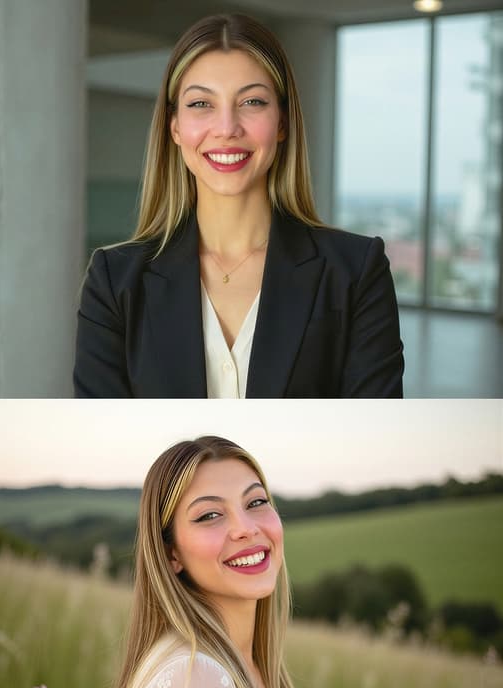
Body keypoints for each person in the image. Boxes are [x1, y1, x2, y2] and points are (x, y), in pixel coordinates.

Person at [74, 13, 404, 399]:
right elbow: (103, 430)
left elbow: (370, 429)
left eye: (252, 101)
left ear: (282, 123)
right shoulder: (113, 282)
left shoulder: (356, 273)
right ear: (174, 127)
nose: (227, 128)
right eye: (201, 103)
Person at [85, 436, 323, 688]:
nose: (246, 528)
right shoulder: (196, 680)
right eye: (210, 515)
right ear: (172, 555)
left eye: (256, 502)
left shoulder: (248, 671)